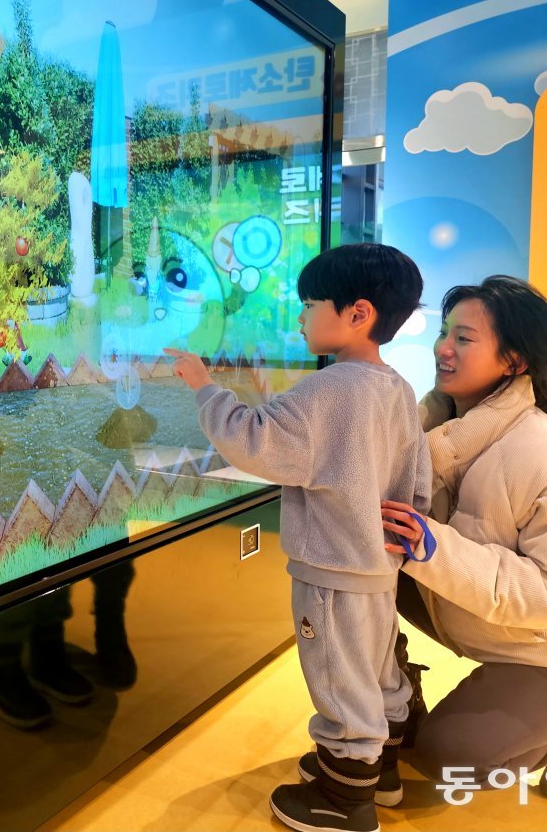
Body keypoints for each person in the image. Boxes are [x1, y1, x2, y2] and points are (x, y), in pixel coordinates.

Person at [167, 243, 429, 832]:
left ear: (357, 313)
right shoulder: (397, 389)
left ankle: (344, 799)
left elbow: (254, 440)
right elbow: (418, 481)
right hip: (378, 569)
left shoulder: (329, 389)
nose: (302, 317)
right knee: (376, 671)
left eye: (310, 305)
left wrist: (204, 386)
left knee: (338, 678)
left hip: (331, 571)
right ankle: (379, 773)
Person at [380, 275, 547, 803]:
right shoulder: (439, 430)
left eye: (464, 338)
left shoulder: (546, 460)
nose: (442, 348)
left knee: (446, 757)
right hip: (512, 629)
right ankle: (402, 696)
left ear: (514, 361)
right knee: (370, 572)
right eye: (444, 332)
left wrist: (433, 548)